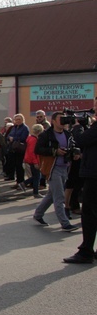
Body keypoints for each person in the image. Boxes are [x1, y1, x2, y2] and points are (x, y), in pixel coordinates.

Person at [32, 112, 78, 231]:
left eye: (64, 119)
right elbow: (38, 149)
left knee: (51, 194)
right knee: (59, 197)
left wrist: (75, 153)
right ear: (53, 121)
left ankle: (38, 215)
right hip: (53, 168)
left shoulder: (68, 134)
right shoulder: (46, 135)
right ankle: (65, 223)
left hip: (65, 167)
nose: (63, 121)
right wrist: (55, 151)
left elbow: (72, 146)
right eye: (60, 119)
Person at [64, 102, 97, 264]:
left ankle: (86, 251)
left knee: (89, 213)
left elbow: (81, 140)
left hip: (94, 174)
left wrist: (77, 127)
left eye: (96, 106)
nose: (93, 109)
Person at [7, 114, 30, 190]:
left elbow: (23, 138)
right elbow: (8, 135)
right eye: (16, 120)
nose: (17, 121)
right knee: (15, 166)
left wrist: (13, 138)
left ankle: (21, 183)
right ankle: (17, 182)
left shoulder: (25, 128)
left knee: (20, 167)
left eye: (19, 119)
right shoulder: (14, 127)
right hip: (13, 149)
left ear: (22, 120)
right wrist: (10, 138)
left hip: (20, 149)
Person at [25, 124, 44, 198]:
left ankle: (24, 184)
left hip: (30, 159)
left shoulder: (31, 138)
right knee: (37, 176)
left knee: (35, 176)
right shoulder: (34, 140)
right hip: (33, 160)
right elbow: (33, 152)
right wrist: (36, 162)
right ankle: (35, 192)